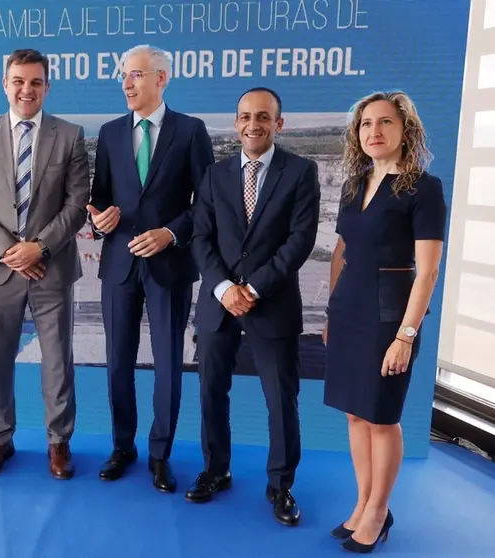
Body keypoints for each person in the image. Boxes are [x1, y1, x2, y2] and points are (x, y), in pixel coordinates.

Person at [188, 87, 320, 526]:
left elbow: (300, 241)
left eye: (263, 117)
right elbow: (201, 238)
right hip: (219, 302)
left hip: (273, 302)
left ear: (278, 124)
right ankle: (215, 470)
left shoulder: (301, 172)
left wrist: (254, 288)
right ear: (235, 121)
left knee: (281, 399)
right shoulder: (214, 175)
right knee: (211, 392)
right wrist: (225, 287)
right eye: (245, 116)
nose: (253, 125)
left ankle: (281, 485)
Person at [323, 91, 446, 553]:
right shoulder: (353, 184)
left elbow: (429, 270)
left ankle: (379, 510)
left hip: (390, 309)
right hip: (350, 306)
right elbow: (341, 251)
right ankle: (362, 502)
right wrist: (332, 310)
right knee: (355, 412)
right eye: (366, 124)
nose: (374, 132)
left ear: (405, 130)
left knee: (381, 416)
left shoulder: (423, 188)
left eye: (385, 123)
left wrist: (405, 336)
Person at [87, 44, 214, 493]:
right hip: (119, 264)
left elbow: (206, 203)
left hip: (170, 265)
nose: (126, 82)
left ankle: (160, 454)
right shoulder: (108, 133)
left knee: (167, 366)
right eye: (124, 75)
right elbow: (99, 195)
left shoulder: (192, 131)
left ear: (162, 78)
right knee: (118, 361)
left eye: (136, 74)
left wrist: (171, 233)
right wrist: (97, 219)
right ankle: (123, 447)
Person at [0, 48, 90, 479]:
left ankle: (58, 442)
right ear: (5, 83)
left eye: (35, 82)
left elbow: (76, 205)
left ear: (47, 86)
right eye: (18, 81)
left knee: (57, 359)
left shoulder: (70, 135)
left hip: (50, 267)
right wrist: (7, 249)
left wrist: (39, 247)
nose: (26, 89)